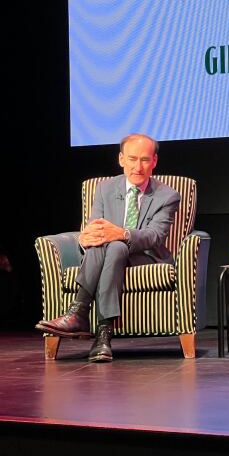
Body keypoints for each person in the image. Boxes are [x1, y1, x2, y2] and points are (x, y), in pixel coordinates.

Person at [36, 134, 180, 362]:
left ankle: (79, 314)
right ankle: (102, 336)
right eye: (132, 159)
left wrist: (122, 234)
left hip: (147, 256)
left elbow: (155, 236)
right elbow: (95, 227)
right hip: (110, 253)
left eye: (144, 159)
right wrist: (86, 237)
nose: (138, 166)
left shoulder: (168, 196)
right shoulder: (105, 189)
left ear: (154, 161)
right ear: (121, 159)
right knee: (110, 248)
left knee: (116, 246)